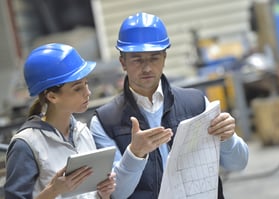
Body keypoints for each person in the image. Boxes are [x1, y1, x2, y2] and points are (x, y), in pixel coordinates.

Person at [90, 12, 249, 199]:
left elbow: (238, 165)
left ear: (164, 58)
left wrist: (228, 138)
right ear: (122, 62)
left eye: (154, 58)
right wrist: (135, 154)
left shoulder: (197, 104)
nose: (147, 67)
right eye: (137, 59)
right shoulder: (104, 122)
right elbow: (116, 194)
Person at [4, 43, 116, 199]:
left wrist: (103, 193)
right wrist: (53, 190)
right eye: (77, 88)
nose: (88, 92)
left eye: (86, 83)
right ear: (52, 96)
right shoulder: (26, 144)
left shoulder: (83, 132)